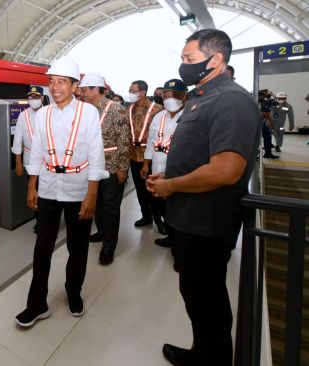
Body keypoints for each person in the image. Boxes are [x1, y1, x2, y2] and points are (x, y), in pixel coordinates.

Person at [146, 29, 260, 366]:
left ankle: (213, 359)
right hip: (188, 218)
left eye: (189, 59)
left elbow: (226, 169)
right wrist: (170, 176)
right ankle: (203, 354)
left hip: (207, 223)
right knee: (196, 296)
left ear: (216, 59)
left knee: (207, 300)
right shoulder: (202, 97)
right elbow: (199, 155)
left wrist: (172, 186)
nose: (183, 66)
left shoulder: (232, 100)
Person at [15, 58, 106, 327]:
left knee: (77, 247)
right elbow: (38, 152)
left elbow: (96, 155)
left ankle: (74, 293)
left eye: (61, 81)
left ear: (75, 86)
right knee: (42, 247)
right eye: (51, 81)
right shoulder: (43, 114)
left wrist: (92, 195)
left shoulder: (88, 113)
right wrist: (32, 185)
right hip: (49, 185)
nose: (54, 87)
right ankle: (36, 304)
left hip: (79, 187)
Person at [78, 73, 130, 265]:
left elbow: (124, 140)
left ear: (95, 89)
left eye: (84, 90)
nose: (81, 93)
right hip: (90, 167)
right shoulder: (84, 109)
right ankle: (101, 231)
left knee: (110, 208)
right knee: (96, 202)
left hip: (111, 166)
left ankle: (109, 245)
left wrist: (123, 168)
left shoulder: (116, 109)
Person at [142, 79, 187, 249]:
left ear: (185, 96)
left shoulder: (190, 115)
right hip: (157, 164)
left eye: (176, 94)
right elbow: (151, 141)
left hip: (177, 169)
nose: (171, 98)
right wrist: (146, 164)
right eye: (167, 94)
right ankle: (170, 235)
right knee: (161, 203)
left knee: (177, 206)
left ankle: (178, 244)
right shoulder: (159, 116)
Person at [126, 80, 163, 230]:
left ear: (142, 92)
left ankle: (159, 220)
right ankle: (146, 216)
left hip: (150, 156)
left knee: (153, 189)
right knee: (140, 190)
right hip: (133, 155)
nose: (130, 92)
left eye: (132, 90)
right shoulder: (129, 109)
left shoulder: (157, 109)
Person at [12, 86, 45, 233]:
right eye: (30, 97)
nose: (33, 100)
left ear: (42, 98)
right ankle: (39, 222)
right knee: (34, 191)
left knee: (48, 193)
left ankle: (48, 222)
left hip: (48, 160)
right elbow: (17, 141)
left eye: (36, 97)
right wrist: (18, 162)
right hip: (30, 161)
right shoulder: (23, 116)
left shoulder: (50, 113)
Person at [258, 90, 280, 159]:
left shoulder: (265, 102)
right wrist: (271, 122)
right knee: (255, 139)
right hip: (254, 122)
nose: (266, 97)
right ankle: (255, 155)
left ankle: (268, 153)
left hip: (260, 121)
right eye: (265, 95)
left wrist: (273, 95)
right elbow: (265, 114)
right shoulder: (255, 100)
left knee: (267, 136)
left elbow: (275, 103)